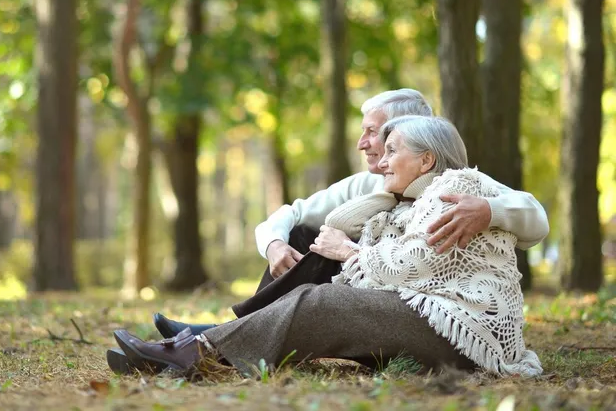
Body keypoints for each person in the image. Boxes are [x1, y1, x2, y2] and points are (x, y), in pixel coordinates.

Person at [107, 116, 544, 378]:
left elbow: (410, 264)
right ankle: (199, 349)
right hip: (430, 320)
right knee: (317, 293)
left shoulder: (456, 187)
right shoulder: (397, 202)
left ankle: (192, 352)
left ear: (427, 159)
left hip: (465, 331)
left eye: (391, 150)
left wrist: (350, 253)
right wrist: (355, 236)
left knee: (318, 302)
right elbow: (352, 258)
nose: (381, 160)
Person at [151, 89, 549, 337]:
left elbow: (535, 217)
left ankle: (223, 337)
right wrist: (274, 245)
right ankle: (232, 334)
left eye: (376, 133)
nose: (364, 144)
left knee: (319, 284)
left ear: (413, 138)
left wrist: (489, 210)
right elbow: (290, 214)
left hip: (415, 298)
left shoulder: (458, 185)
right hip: (376, 284)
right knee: (303, 233)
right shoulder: (365, 187)